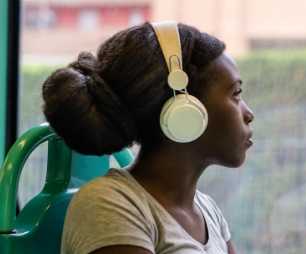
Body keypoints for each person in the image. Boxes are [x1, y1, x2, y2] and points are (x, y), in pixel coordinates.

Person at [42, 21, 254, 254]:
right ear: (185, 110)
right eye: (236, 94)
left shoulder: (208, 211)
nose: (248, 114)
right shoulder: (110, 204)